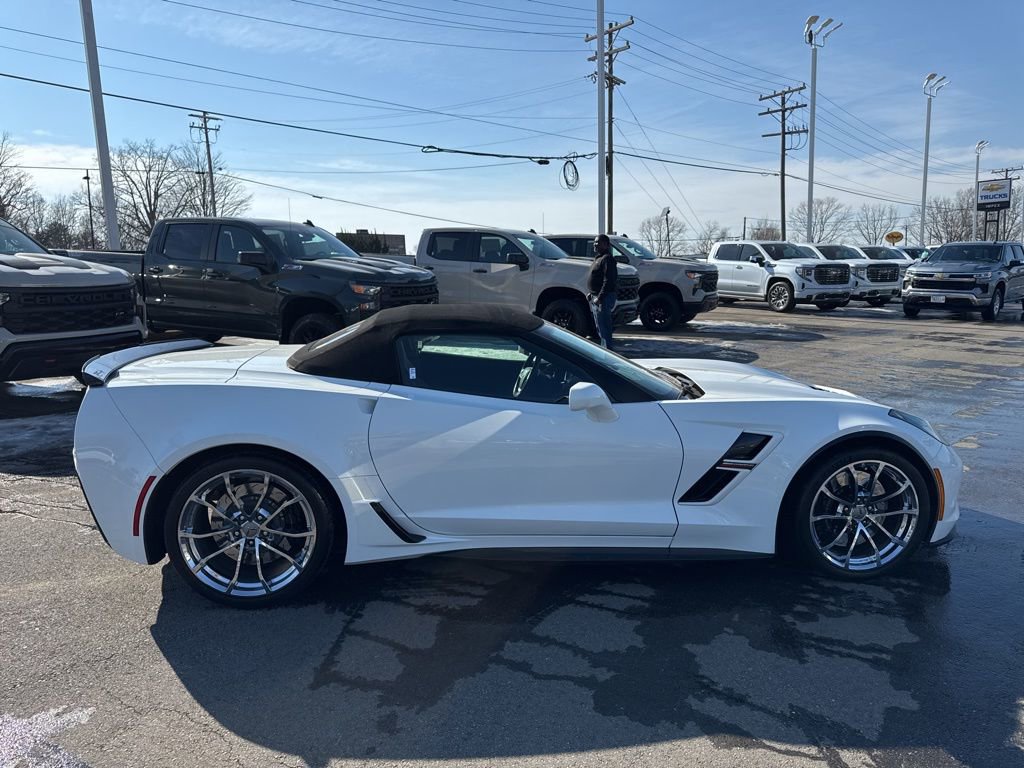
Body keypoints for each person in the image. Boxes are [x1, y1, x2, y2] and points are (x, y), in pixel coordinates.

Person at [587, 234, 618, 349]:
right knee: (600, 327)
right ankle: (604, 350)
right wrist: (591, 293)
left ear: (606, 244)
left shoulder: (608, 259)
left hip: (603, 299)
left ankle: (607, 353)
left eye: (598, 242)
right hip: (596, 297)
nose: (595, 244)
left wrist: (600, 297)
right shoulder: (599, 258)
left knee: (604, 327)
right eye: (595, 242)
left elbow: (609, 280)